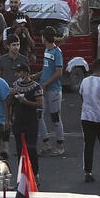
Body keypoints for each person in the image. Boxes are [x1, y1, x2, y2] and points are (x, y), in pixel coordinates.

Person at [79, 58, 100, 183]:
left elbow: (82, 96)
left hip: (86, 117)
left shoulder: (84, 81)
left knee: (88, 145)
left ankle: (88, 172)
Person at [36, 26, 65, 156]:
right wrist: (36, 76)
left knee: (55, 118)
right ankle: (46, 143)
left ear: (44, 38)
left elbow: (59, 73)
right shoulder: (47, 51)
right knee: (39, 116)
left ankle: (60, 146)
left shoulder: (57, 52)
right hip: (45, 89)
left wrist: (45, 84)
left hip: (53, 90)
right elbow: (47, 69)